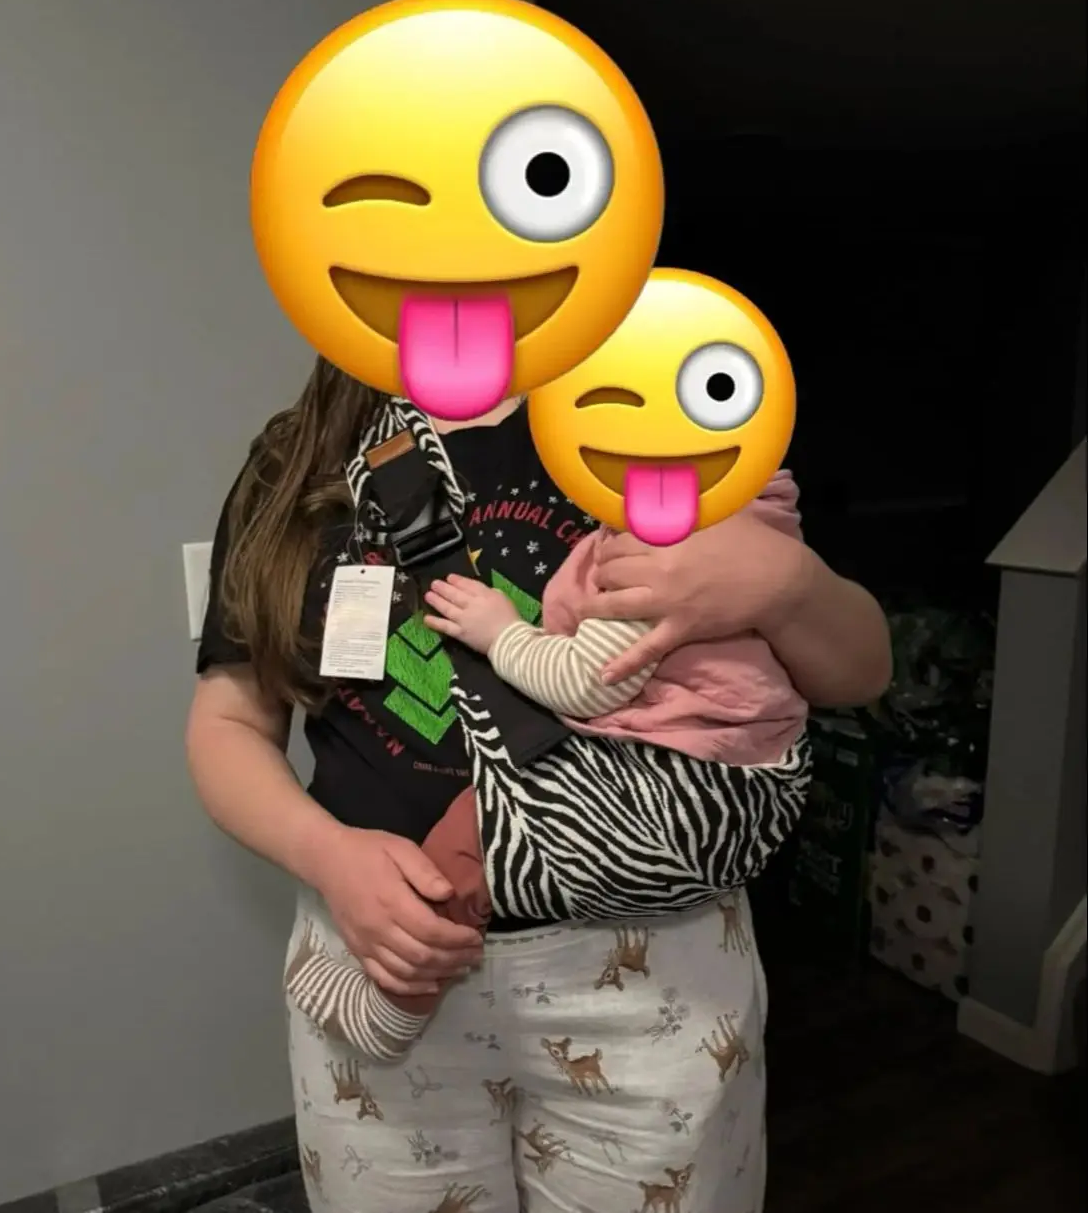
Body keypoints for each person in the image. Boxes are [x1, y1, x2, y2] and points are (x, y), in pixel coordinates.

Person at [186, 357, 892, 1213]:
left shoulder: (656, 413)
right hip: (381, 954)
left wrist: (787, 585)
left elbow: (860, 672)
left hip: (652, 972)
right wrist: (327, 855)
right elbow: (227, 725)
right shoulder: (297, 461)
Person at [284, 470, 813, 1063]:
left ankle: (390, 1011)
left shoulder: (672, 544)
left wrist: (500, 633)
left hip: (663, 788)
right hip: (723, 774)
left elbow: (589, 681)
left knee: (462, 854)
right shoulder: (755, 515)